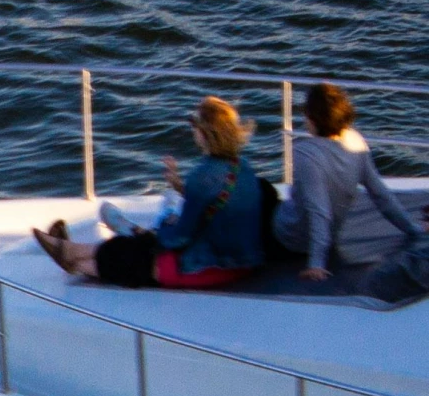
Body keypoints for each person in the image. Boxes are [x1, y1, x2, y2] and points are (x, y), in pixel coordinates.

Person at [33, 96, 263, 289]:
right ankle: (73, 255)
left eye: (194, 124)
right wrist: (180, 191)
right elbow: (219, 205)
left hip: (208, 267)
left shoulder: (202, 176)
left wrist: (159, 230)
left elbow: (178, 237)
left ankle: (72, 258)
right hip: (243, 263)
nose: (192, 130)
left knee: (132, 252)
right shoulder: (243, 168)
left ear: (205, 133)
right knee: (135, 247)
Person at [272, 81, 421, 282]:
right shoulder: (355, 141)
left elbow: (319, 212)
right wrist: (414, 230)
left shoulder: (305, 154)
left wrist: (316, 264)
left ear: (312, 118)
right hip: (330, 238)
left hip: (291, 240)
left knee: (263, 197)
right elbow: (380, 194)